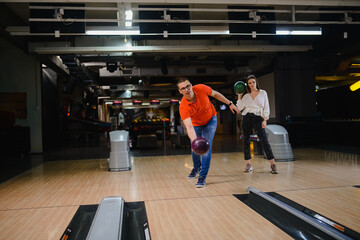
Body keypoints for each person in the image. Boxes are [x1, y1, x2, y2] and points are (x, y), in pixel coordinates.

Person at [177, 77, 240, 187]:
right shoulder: (183, 106)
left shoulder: (201, 88)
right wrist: (195, 141)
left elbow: (216, 94)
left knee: (206, 147)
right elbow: (189, 127)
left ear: (191, 85)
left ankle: (202, 177)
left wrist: (230, 103)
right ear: (180, 91)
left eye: (188, 86)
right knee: (195, 147)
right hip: (196, 124)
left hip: (210, 120)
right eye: (183, 88)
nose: (187, 89)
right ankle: (197, 167)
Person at [236, 75, 278, 174]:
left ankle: (273, 164)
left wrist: (265, 120)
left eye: (253, 82)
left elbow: (266, 107)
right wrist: (239, 95)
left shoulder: (263, 93)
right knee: (246, 140)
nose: (252, 84)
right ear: (248, 84)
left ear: (256, 82)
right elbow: (240, 108)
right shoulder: (246, 95)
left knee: (264, 141)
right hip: (246, 117)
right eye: (249, 83)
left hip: (258, 118)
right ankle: (248, 164)